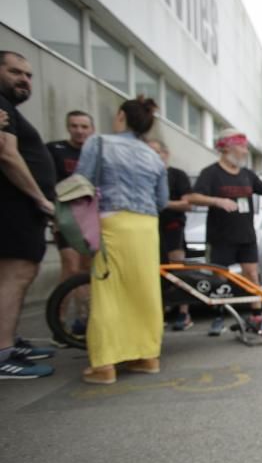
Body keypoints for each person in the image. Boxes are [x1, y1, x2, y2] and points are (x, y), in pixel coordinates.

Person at [77, 96, 168, 384]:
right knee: (145, 290)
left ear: (120, 117)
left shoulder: (99, 143)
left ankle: (105, 364)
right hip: (146, 225)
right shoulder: (154, 156)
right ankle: (147, 356)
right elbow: (162, 200)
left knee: (108, 291)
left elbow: (82, 182)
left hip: (112, 221)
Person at [0, 51, 57, 379]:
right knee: (15, 276)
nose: (24, 79)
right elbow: (7, 154)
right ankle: (4, 352)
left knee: (18, 276)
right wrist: (40, 198)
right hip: (14, 206)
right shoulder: (2, 105)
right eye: (15, 72)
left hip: (20, 208)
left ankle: (9, 341)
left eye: (29, 74)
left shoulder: (9, 109)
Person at [187, 129, 262, 334]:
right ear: (227, 147)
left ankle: (256, 316)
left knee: (252, 275)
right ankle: (219, 315)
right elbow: (192, 197)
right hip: (220, 237)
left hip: (246, 235)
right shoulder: (211, 173)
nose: (245, 152)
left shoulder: (247, 175)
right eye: (242, 147)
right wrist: (216, 200)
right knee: (220, 278)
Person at [147, 139, 194, 331]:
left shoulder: (177, 175)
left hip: (173, 226)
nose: (153, 157)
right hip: (148, 227)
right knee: (153, 271)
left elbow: (188, 204)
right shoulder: (143, 175)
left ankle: (184, 312)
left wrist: (162, 203)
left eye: (157, 152)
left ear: (165, 154)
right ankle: (158, 312)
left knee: (177, 267)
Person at [47, 110, 96, 286]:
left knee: (87, 268)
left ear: (92, 129)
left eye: (84, 126)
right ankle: (59, 312)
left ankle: (83, 312)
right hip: (65, 215)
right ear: (68, 127)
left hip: (91, 217)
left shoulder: (97, 154)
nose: (79, 130)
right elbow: (47, 183)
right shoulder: (54, 150)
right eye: (74, 126)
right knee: (70, 266)